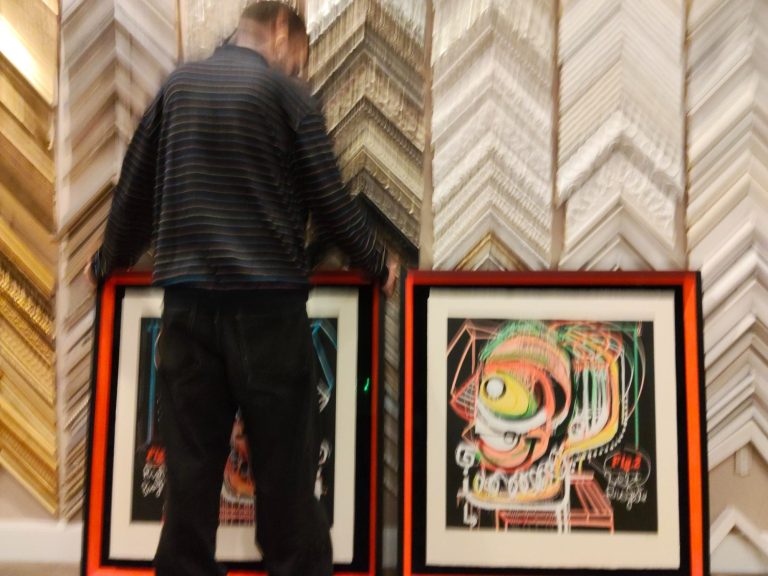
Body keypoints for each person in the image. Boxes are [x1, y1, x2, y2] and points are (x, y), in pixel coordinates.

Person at [85, 2, 398, 576]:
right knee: (286, 481)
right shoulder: (287, 95)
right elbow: (330, 202)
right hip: (268, 313)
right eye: (299, 58)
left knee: (188, 479)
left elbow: (134, 189)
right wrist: (377, 263)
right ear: (281, 30)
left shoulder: (177, 86)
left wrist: (107, 262)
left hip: (186, 309)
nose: (299, 70)